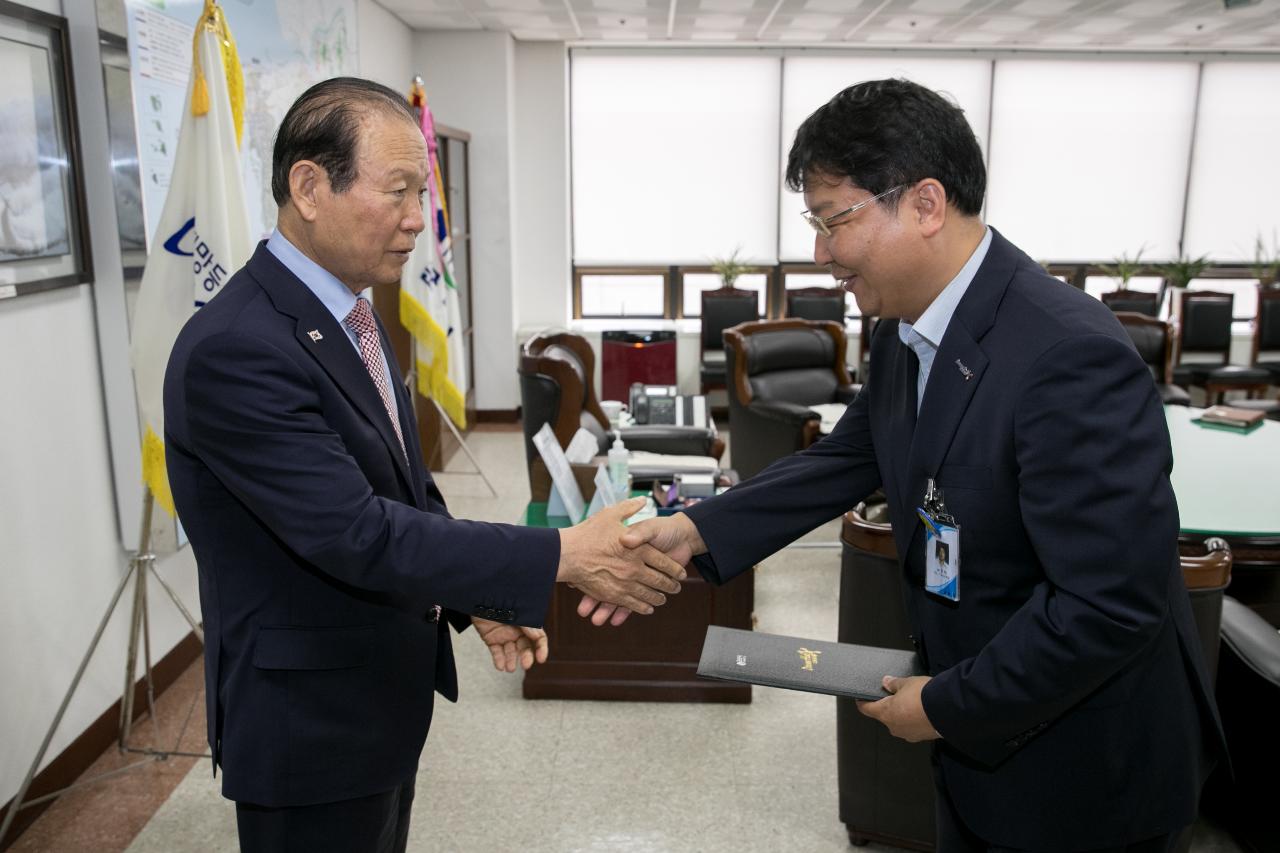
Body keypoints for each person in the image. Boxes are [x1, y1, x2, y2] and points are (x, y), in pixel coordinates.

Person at [590, 79, 1226, 852]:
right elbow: (850, 455)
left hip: (1085, 770)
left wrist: (951, 704)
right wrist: (692, 531)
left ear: (925, 204)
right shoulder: (905, 323)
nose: (821, 253)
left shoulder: (1069, 355)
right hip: (981, 742)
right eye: (813, 224)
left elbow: (1109, 605)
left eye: (835, 221)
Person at [163, 77, 685, 853]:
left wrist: (478, 595)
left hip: (373, 701)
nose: (418, 220)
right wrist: (564, 554)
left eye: (422, 192)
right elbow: (357, 532)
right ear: (309, 186)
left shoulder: (348, 310)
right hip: (308, 726)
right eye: (399, 191)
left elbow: (403, 489)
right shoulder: (240, 348)